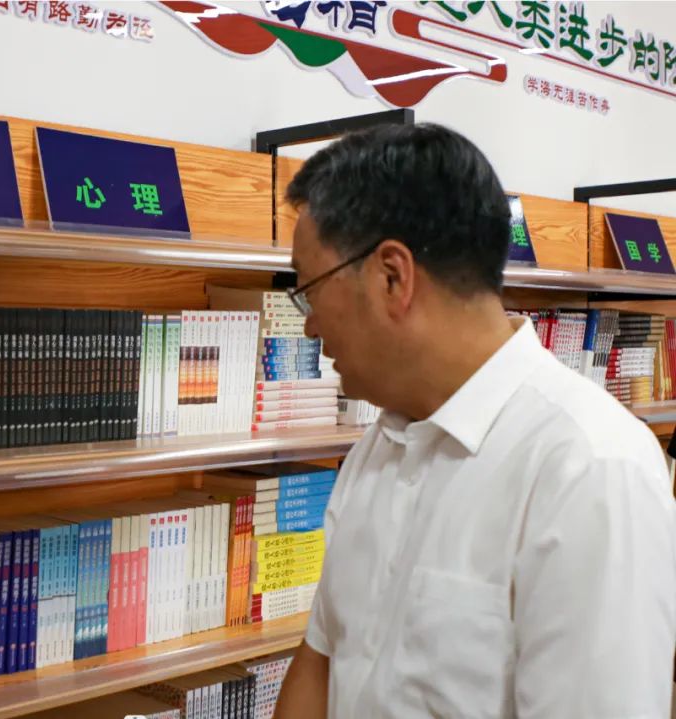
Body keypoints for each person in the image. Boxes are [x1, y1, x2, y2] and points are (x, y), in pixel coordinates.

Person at [272, 123, 676, 719]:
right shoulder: (378, 447)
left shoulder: (590, 468)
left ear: (392, 276)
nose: (308, 324)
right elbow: (322, 661)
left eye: (308, 289)